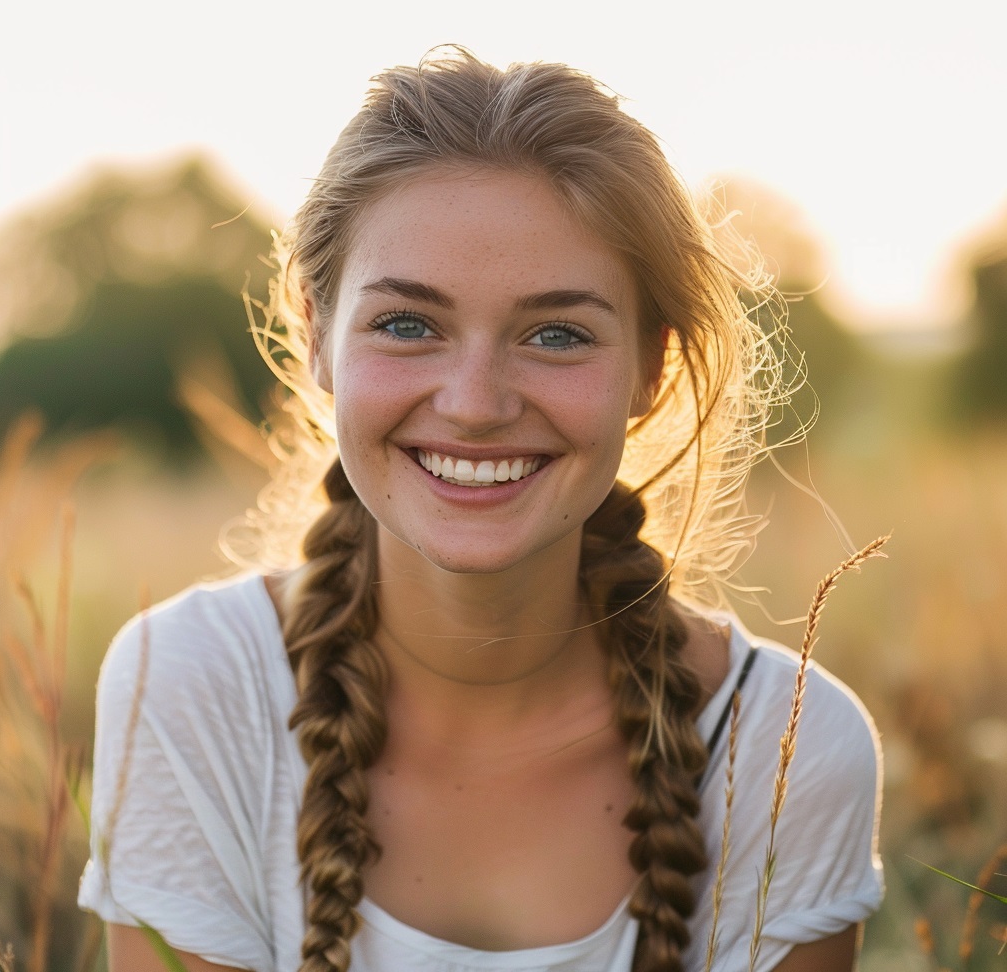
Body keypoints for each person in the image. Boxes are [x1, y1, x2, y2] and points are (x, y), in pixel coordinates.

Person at [78, 47, 883, 972]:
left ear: (650, 370)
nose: (473, 401)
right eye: (408, 324)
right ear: (319, 340)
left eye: (556, 334)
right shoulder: (189, 687)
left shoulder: (785, 751)